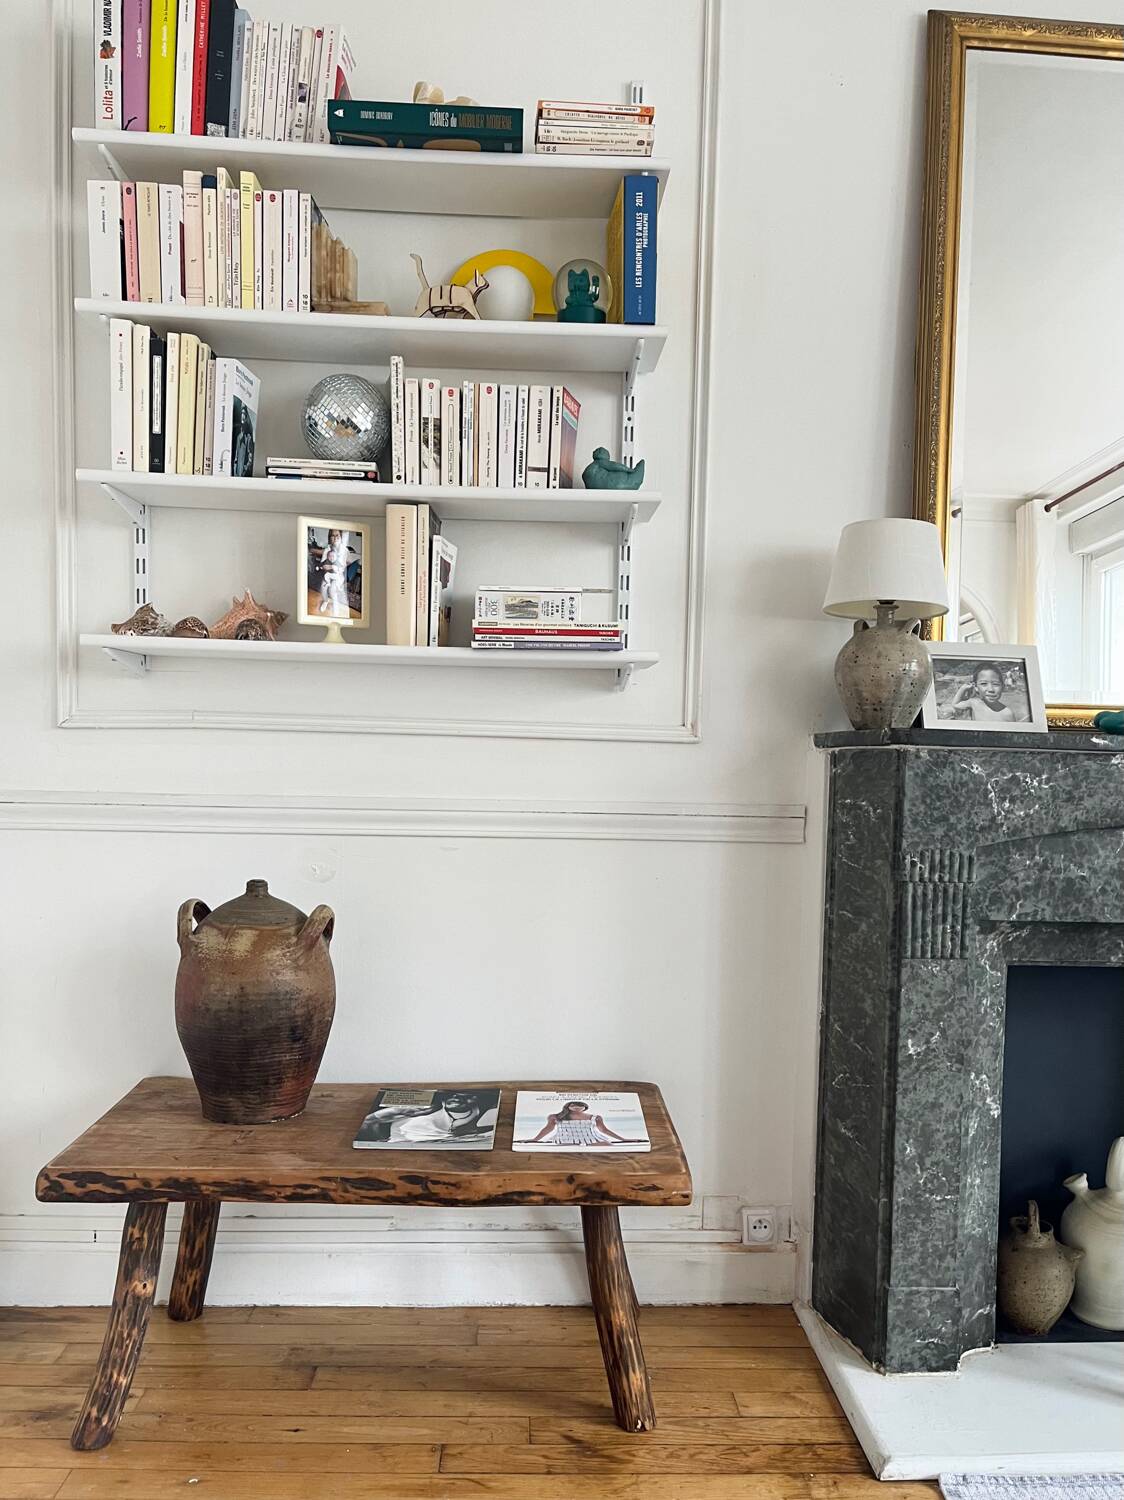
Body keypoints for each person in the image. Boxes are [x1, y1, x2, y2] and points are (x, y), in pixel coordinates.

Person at [360, 1091, 497, 1145]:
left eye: (468, 1096)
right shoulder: (426, 1106)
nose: (458, 1098)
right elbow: (369, 1121)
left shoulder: (476, 1111)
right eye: (455, 1095)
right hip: (401, 1143)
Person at [521, 1099, 644, 1147]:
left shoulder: (595, 1117)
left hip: (592, 1138)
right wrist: (534, 1140)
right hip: (565, 1139)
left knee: (609, 1147)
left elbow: (605, 1131)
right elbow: (547, 1129)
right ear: (568, 1106)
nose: (576, 1107)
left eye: (580, 1105)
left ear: (585, 1107)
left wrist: (624, 1139)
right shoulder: (556, 1117)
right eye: (573, 1105)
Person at [947, 661, 1026, 722]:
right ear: (976, 687)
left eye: (995, 684)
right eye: (984, 684)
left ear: (1002, 686)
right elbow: (955, 704)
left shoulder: (1007, 713)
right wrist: (963, 688)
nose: (991, 689)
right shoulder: (974, 703)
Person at [311, 529, 357, 617]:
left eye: (337, 536)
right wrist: (324, 567)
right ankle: (325, 601)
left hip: (338, 575)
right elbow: (323, 562)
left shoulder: (344, 550)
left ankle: (335, 605)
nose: (335, 538)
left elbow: (344, 566)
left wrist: (336, 567)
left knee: (332, 590)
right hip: (327, 573)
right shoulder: (327, 549)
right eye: (332, 536)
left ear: (340, 537)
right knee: (323, 587)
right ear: (330, 538)